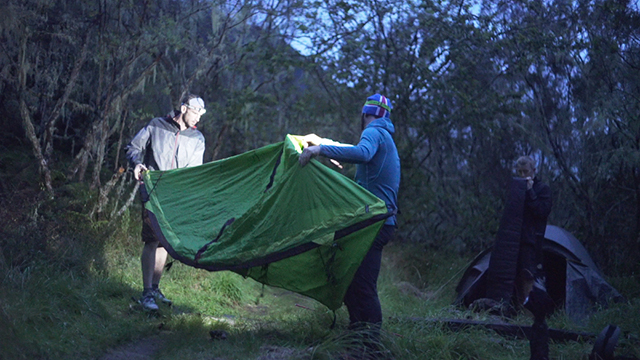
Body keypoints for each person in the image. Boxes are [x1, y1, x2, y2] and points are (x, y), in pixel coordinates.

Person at [299, 94, 400, 343]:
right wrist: (325, 143)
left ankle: (369, 345)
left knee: (363, 286)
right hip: (377, 222)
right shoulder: (383, 133)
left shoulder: (373, 132)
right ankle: (357, 337)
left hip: (374, 223)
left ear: (366, 115)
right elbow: (360, 151)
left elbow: (363, 153)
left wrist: (320, 149)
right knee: (352, 281)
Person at [126, 94, 206, 311]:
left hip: (176, 196)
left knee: (164, 242)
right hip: (153, 190)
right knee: (151, 240)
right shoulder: (157, 125)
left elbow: (194, 172)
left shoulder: (198, 138)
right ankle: (145, 294)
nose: (199, 116)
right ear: (184, 108)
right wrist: (137, 164)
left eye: (202, 112)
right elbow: (134, 147)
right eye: (196, 110)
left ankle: (155, 287)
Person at [514, 156, 554, 360]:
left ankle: (532, 318)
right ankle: (521, 315)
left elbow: (542, 211)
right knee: (517, 277)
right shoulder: (517, 187)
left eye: (525, 171)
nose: (523, 175)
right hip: (516, 239)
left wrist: (529, 191)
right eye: (519, 172)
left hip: (533, 240)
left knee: (530, 276)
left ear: (534, 169)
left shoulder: (542, 189)